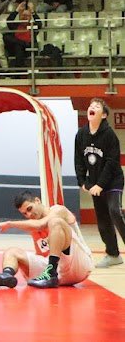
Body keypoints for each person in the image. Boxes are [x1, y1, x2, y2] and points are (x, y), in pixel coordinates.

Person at [0, 192, 93, 289]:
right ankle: (6, 276)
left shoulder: (58, 210)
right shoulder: (34, 230)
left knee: (55, 222)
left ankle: (51, 274)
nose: (29, 214)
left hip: (78, 264)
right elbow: (41, 254)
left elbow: (40, 224)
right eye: (25, 213)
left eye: (29, 209)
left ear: (37, 201)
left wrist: (10, 224)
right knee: (11, 251)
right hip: (60, 271)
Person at [74, 98, 125, 268]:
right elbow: (79, 160)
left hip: (113, 180)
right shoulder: (81, 134)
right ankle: (113, 254)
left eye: (97, 107)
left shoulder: (109, 135)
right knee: (102, 219)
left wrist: (100, 185)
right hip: (95, 183)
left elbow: (112, 162)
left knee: (114, 211)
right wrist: (82, 181)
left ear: (103, 115)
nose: (92, 108)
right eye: (91, 106)